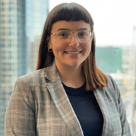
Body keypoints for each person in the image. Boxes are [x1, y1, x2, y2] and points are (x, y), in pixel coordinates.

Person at [4, 2, 131, 136]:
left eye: (82, 34)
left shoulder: (108, 84)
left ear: (91, 38)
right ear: (49, 42)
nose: (74, 43)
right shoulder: (29, 87)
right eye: (63, 34)